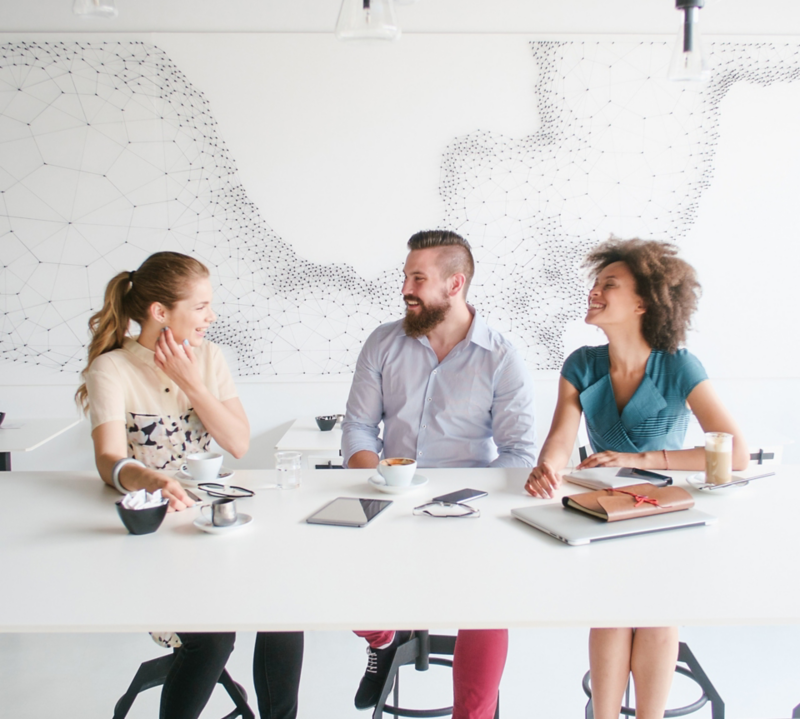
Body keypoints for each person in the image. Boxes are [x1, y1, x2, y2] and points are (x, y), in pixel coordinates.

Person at [525, 237, 748, 719]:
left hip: (665, 517)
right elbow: (561, 440)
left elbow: (736, 454)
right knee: (610, 615)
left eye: (610, 284)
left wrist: (647, 458)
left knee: (655, 614)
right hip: (604, 513)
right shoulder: (581, 364)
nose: (595, 292)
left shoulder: (679, 366)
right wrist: (548, 467)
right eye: (596, 284)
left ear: (643, 302)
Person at [76, 251, 303, 719]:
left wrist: (191, 382)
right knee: (213, 636)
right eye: (200, 306)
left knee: (285, 612)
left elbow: (238, 442)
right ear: (161, 312)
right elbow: (108, 460)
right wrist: (150, 478)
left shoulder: (210, 358)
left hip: (220, 527)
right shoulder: (112, 370)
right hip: (159, 540)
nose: (211, 316)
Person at [343, 230, 537, 719]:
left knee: (489, 609)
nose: (406, 287)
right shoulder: (383, 342)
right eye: (406, 275)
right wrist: (382, 482)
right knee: (333, 571)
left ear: (455, 284)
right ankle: (383, 638)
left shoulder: (501, 356)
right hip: (390, 496)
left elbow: (518, 451)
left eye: (417, 277)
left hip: (469, 510)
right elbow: (360, 428)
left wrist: (472, 503)